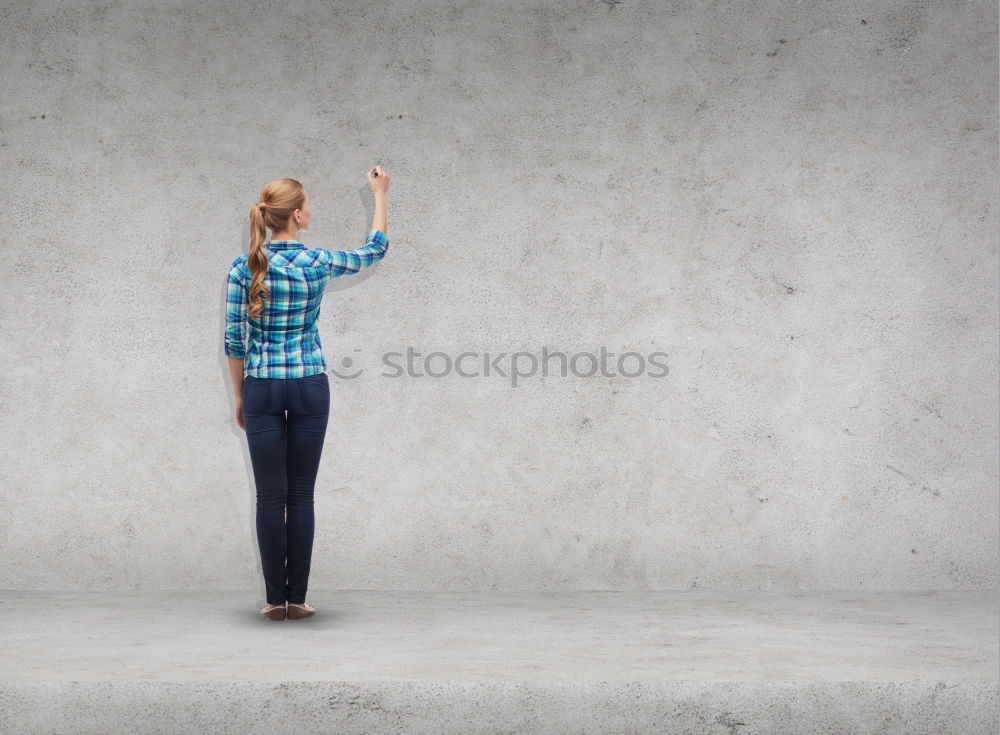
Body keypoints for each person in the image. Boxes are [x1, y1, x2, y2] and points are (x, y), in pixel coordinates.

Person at [224, 169, 391, 621]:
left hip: (260, 384)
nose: (310, 211)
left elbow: (234, 342)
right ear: (297, 215)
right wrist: (379, 194)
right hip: (309, 384)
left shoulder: (244, 268)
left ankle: (274, 601)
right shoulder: (318, 262)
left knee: (268, 497)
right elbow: (374, 250)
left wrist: (241, 396)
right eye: (309, 205)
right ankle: (297, 599)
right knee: (300, 496)